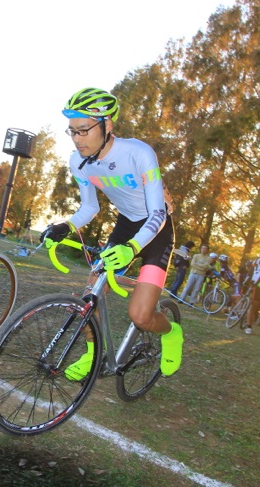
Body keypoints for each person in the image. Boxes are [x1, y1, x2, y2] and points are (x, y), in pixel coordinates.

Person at [41, 87, 183, 378]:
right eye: (72, 132)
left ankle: (172, 333)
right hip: (126, 225)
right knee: (89, 296)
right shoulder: (78, 162)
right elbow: (89, 208)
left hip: (156, 231)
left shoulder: (139, 152)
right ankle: (92, 355)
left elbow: (158, 213)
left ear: (106, 125)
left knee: (141, 316)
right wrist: (64, 227)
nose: (77, 139)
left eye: (83, 130)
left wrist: (131, 249)